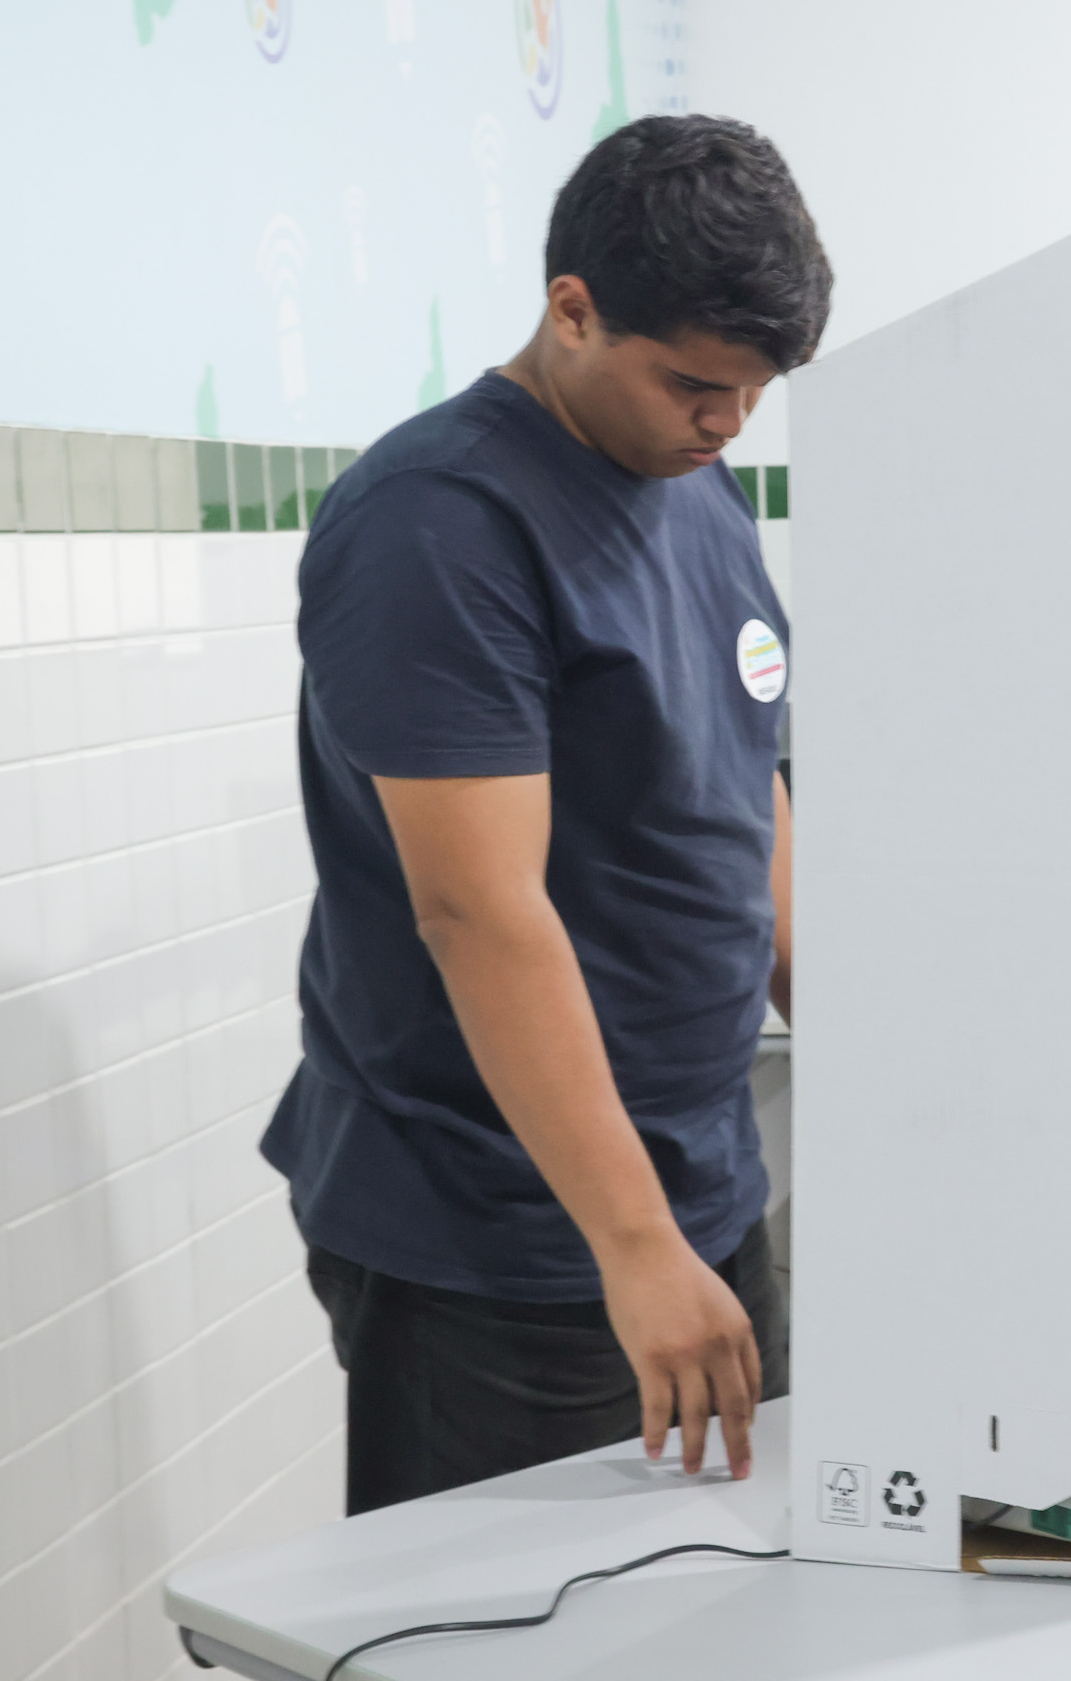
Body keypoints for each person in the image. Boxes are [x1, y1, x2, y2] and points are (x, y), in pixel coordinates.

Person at [263, 114, 828, 1514]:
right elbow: (479, 912)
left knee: (735, 1611)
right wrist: (631, 1242)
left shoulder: (696, 489)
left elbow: (748, 790)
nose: (728, 422)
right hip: (507, 1236)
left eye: (755, 392)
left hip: (701, 1188)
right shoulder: (438, 523)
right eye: (697, 383)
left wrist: (887, 1069)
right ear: (571, 311)